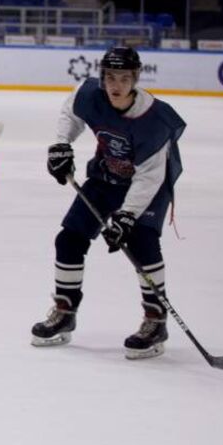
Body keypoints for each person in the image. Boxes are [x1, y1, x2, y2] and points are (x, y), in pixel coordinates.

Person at [32, 46, 185, 359]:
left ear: (136, 79)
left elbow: (148, 178)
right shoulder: (90, 95)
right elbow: (70, 113)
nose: (117, 85)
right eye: (111, 77)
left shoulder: (154, 120)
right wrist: (61, 145)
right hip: (106, 177)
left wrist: (127, 217)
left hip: (147, 187)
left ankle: (156, 320)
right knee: (69, 239)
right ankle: (65, 311)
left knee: (142, 243)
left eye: (125, 78)